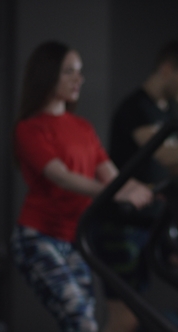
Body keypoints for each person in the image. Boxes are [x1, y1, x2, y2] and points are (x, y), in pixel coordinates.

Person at [10, 41, 154, 332]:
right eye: (69, 72)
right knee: (81, 320)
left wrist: (150, 190)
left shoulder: (82, 127)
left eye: (80, 72)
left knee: (85, 321)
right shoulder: (29, 128)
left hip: (74, 239)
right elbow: (60, 176)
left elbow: (112, 176)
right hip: (38, 238)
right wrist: (116, 193)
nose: (79, 79)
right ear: (47, 76)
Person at [99, 40, 178, 332]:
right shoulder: (137, 108)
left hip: (152, 221)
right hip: (121, 222)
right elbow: (163, 152)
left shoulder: (166, 112)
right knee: (125, 318)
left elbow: (175, 166)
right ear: (167, 69)